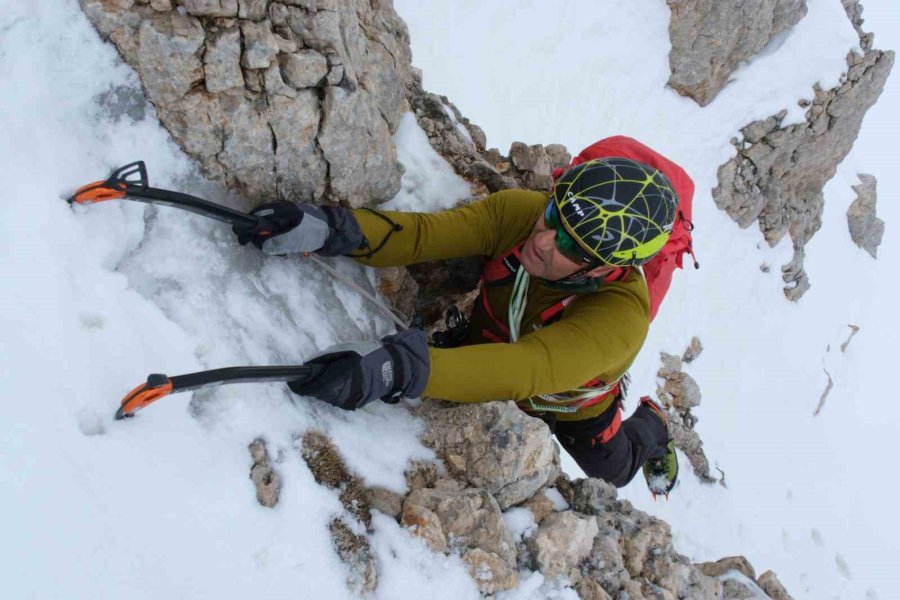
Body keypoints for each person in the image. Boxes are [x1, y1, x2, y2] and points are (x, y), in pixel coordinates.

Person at [233, 137, 684, 495]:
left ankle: (655, 425)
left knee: (615, 470)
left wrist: (397, 368)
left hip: (568, 405)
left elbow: (528, 368)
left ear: (606, 267)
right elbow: (424, 235)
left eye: (571, 246)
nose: (544, 239)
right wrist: (334, 228)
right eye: (554, 213)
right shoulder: (521, 214)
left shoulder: (620, 319)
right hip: (488, 341)